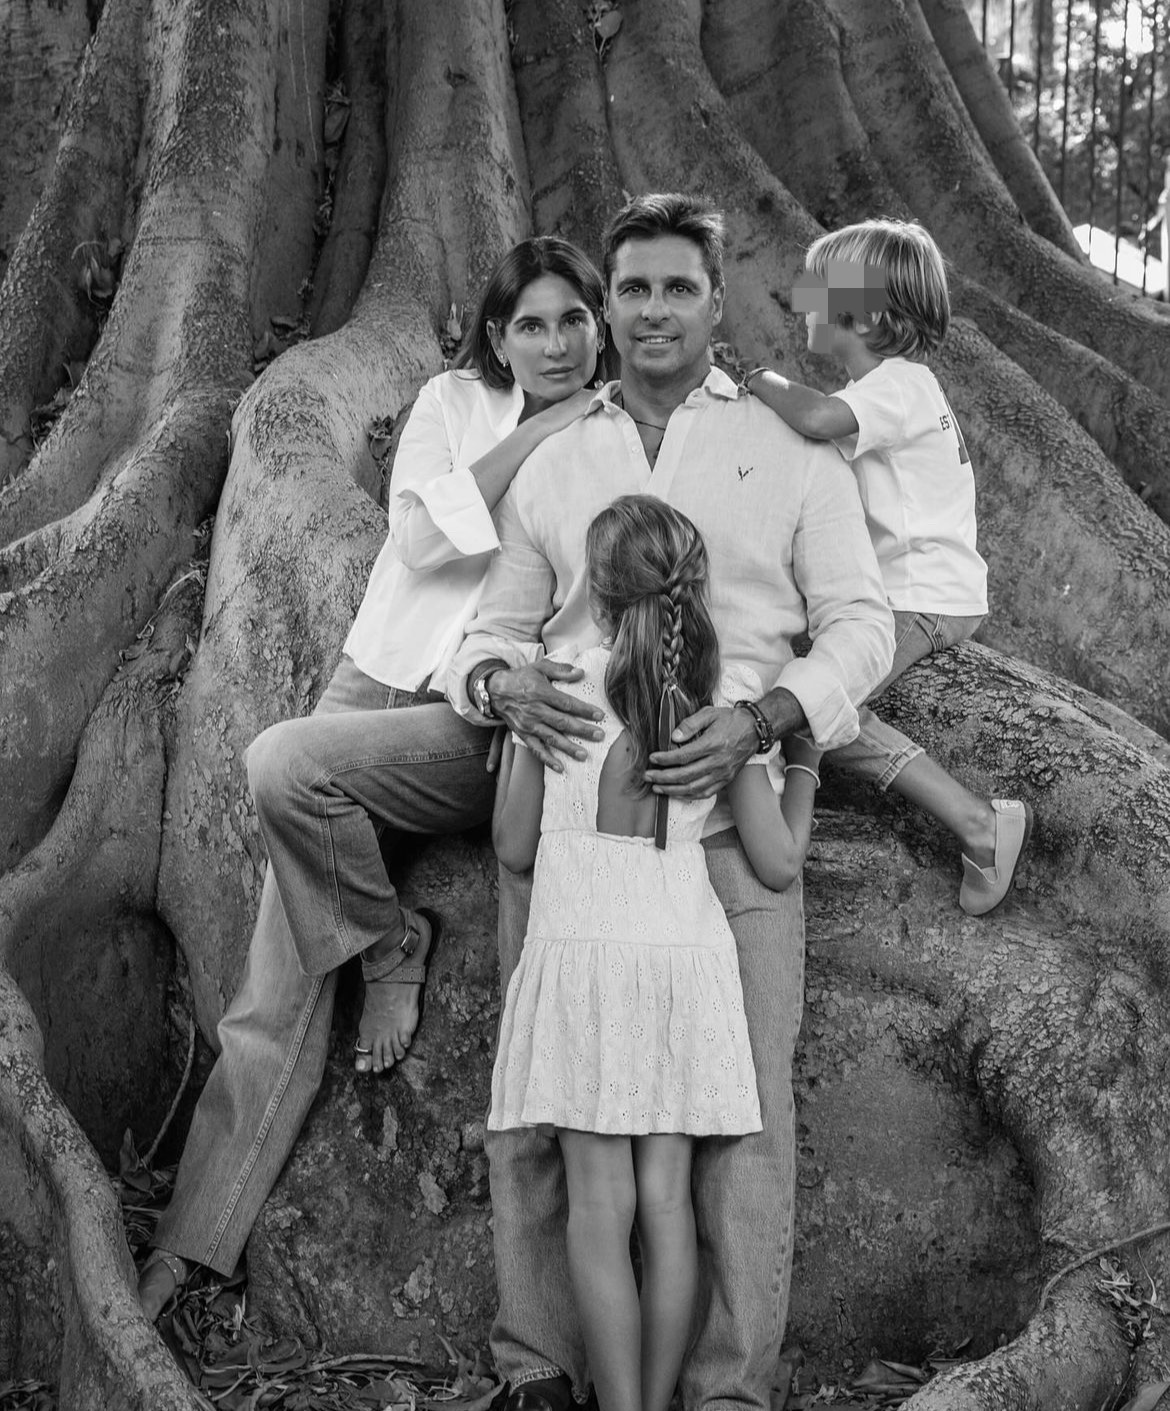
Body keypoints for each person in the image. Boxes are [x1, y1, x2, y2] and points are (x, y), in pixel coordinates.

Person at [448, 193, 895, 1411]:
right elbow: (488, 628)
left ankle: (725, 1394)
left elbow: (863, 624)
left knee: (738, 1136)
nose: (652, 310)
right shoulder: (557, 450)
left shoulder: (787, 448)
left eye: (676, 288)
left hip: (727, 805)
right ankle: (541, 1372)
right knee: (546, 1120)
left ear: (715, 301)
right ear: (608, 308)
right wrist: (507, 693)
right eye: (631, 289)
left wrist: (766, 721)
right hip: (581, 816)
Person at [136, 236, 608, 1320]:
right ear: (497, 335)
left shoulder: (627, 430)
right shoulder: (450, 401)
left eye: (573, 320)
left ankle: (392, 942)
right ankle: (192, 1239)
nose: (553, 341)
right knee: (275, 973)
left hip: (481, 706)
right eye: (529, 323)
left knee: (294, 783)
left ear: (601, 326)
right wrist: (539, 431)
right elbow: (418, 534)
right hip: (377, 672)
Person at [488, 495, 823, 1411]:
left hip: (580, 957)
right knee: (668, 1206)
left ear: (594, 597)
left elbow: (514, 847)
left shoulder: (550, 688)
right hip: (682, 959)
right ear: (694, 592)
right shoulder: (715, 709)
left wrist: (521, 741)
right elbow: (777, 860)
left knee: (600, 1210)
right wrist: (803, 771)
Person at [743, 217, 1031, 915]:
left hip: (920, 596)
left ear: (865, 311)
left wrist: (758, 379)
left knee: (815, 701)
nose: (800, 299)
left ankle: (980, 824)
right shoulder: (890, 390)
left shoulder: (895, 386)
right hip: (920, 589)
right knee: (811, 693)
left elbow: (811, 417)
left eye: (818, 288)